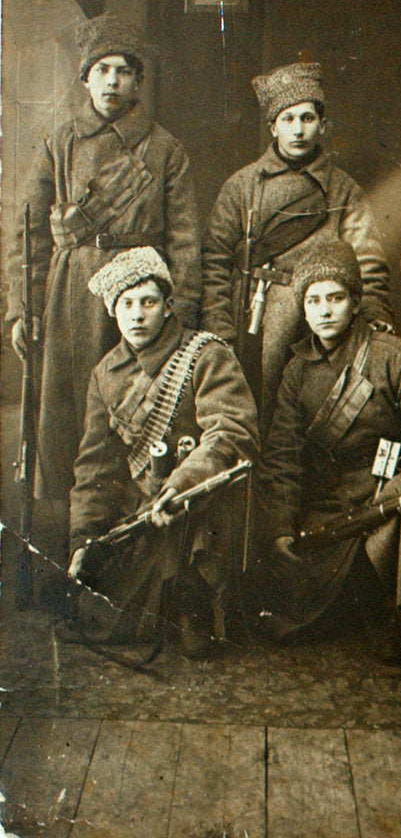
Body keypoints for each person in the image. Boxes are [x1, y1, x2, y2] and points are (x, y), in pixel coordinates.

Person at [6, 13, 202, 572]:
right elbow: (27, 230)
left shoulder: (165, 150)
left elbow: (185, 241)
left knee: (134, 419)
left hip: (141, 295)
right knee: (66, 426)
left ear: (139, 82)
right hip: (71, 295)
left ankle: (129, 559)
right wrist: (23, 306)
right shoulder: (59, 140)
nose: (113, 82)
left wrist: (180, 315)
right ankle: (64, 552)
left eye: (124, 71)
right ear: (85, 79)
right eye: (102, 71)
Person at [256, 241, 401, 663]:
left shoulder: (392, 357)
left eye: (335, 298)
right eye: (313, 300)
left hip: (383, 498)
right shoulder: (296, 371)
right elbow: (281, 456)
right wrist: (280, 526)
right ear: (302, 309)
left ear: (356, 303)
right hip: (329, 508)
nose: (324, 311)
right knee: (285, 612)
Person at [67, 247, 259, 656]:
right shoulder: (105, 373)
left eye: (149, 302)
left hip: (200, 502)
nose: (137, 315)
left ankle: (195, 599)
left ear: (168, 307)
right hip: (144, 510)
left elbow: (231, 433)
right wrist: (83, 539)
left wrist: (182, 482)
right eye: (127, 304)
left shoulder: (205, 353)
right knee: (99, 619)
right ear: (113, 312)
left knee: (196, 642)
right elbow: (94, 468)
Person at [201, 62, 393, 434]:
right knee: (252, 418)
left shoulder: (343, 189)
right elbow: (214, 261)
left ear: (322, 125)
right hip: (251, 319)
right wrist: (219, 327)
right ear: (273, 127)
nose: (299, 129)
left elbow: (368, 259)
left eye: (307, 118)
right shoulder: (242, 186)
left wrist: (372, 309)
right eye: (288, 119)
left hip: (320, 320)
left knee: (310, 420)